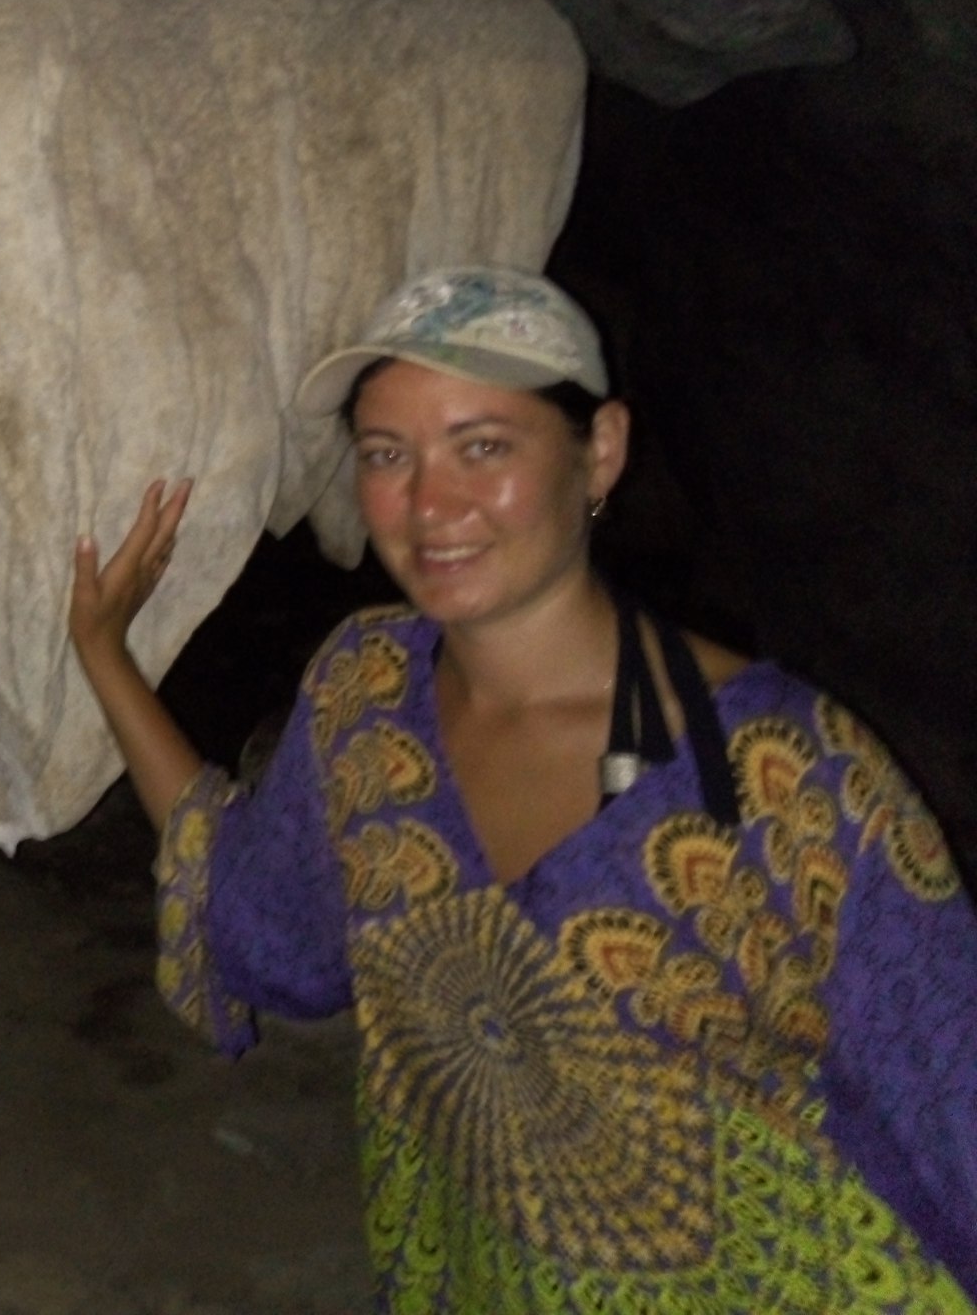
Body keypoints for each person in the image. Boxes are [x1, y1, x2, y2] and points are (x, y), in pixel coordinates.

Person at [67, 266, 977, 1310]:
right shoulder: (363, 699)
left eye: (483, 446)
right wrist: (104, 655)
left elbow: (950, 1091)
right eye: (385, 455)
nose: (429, 502)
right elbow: (255, 908)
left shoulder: (781, 772)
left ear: (602, 453)